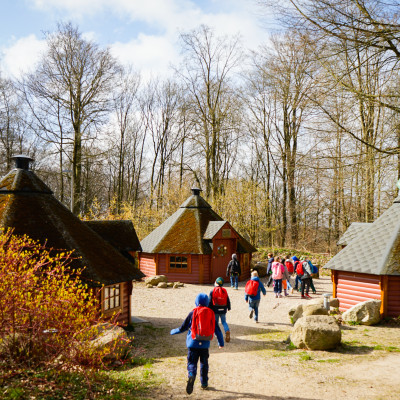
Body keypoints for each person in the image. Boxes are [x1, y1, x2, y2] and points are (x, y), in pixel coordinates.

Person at [170, 293, 224, 394]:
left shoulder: (193, 313)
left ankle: (191, 375)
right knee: (204, 364)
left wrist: (173, 331)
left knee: (192, 362)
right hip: (205, 345)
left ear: (196, 302)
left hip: (192, 344)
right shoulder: (211, 313)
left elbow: (183, 327)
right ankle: (204, 383)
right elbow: (217, 330)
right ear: (207, 303)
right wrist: (221, 343)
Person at [209, 277, 231, 343]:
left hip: (215, 309)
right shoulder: (224, 290)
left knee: (216, 322)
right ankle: (227, 330)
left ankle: (218, 334)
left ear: (216, 283)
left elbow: (209, 301)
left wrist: (208, 309)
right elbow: (228, 300)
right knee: (224, 321)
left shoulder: (212, 291)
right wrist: (229, 307)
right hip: (223, 309)